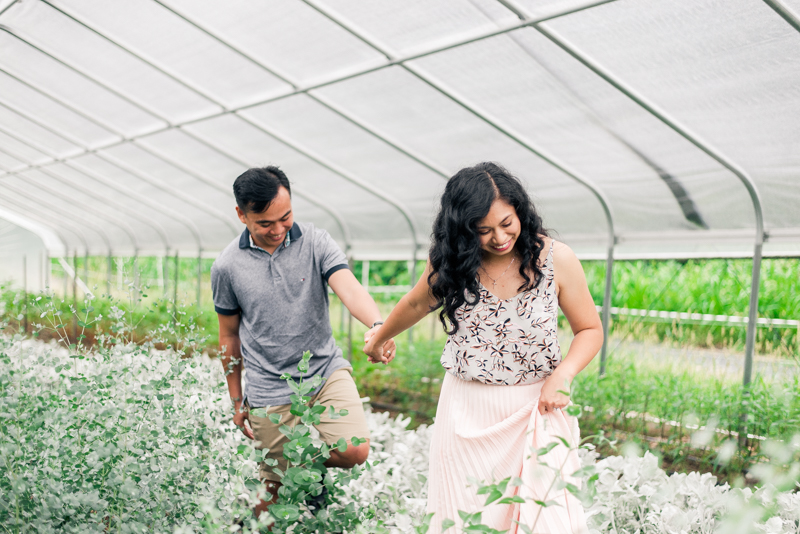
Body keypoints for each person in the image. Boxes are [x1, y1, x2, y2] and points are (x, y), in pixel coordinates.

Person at [364, 162, 603, 533]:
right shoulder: (454, 263)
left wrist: (564, 375)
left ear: (520, 211)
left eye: (507, 223)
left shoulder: (557, 260)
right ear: (462, 230)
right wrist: (379, 337)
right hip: (466, 415)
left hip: (536, 408)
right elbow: (415, 303)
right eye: (483, 231)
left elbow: (589, 329)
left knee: (548, 522)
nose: (499, 238)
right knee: (464, 522)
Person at [211, 166, 396, 518]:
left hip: (325, 371)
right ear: (241, 215)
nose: (278, 230)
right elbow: (229, 336)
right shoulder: (227, 267)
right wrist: (237, 399)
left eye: (286, 217)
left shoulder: (316, 241)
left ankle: (309, 471)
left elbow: (349, 287)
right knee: (275, 494)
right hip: (269, 386)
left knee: (354, 450)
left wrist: (377, 325)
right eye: (265, 223)